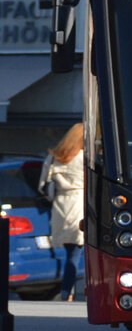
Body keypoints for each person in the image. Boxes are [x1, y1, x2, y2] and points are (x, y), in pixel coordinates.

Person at [39, 123, 85, 302]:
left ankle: (68, 290)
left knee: (70, 253)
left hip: (60, 207)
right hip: (79, 204)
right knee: (78, 252)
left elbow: (42, 186)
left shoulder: (54, 158)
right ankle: (68, 290)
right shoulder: (83, 158)